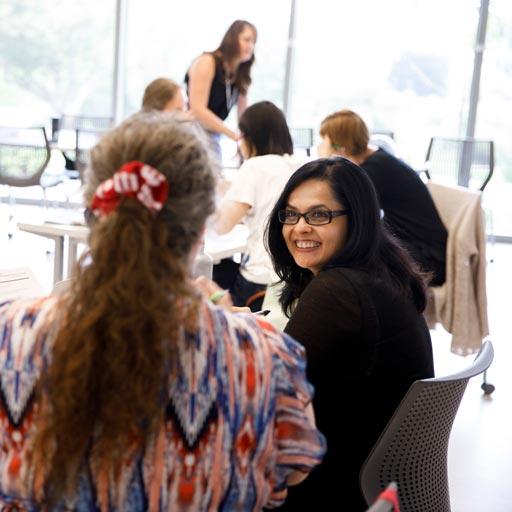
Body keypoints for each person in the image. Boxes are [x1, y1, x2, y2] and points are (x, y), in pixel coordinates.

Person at [0, 112, 325, 510]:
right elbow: (295, 467)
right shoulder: (265, 356)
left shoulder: (11, 335)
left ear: (94, 214)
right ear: (202, 227)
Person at [266, 157, 435, 510]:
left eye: (318, 215)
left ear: (355, 219)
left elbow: (266, 385)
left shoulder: (339, 290)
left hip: (332, 483)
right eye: (291, 214)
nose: (299, 228)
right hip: (373, 477)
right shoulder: (380, 272)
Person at [318, 109, 448, 286]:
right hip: (418, 248)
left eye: (323, 141)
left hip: (427, 259)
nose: (319, 146)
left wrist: (325, 162)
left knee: (351, 255)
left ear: (341, 147)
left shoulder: (374, 171)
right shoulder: (378, 160)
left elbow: (338, 206)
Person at [213, 101, 302, 310]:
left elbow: (221, 225)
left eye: (240, 137)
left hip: (260, 281)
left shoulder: (254, 166)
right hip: (291, 277)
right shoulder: (296, 165)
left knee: (213, 280)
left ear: (252, 137)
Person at [185, 20, 257, 160]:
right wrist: (234, 135)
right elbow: (197, 110)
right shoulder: (207, 61)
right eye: (247, 40)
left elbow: (243, 115)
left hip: (213, 135)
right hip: (191, 132)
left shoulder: (241, 73)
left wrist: (245, 140)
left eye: (253, 42)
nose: (251, 46)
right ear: (232, 39)